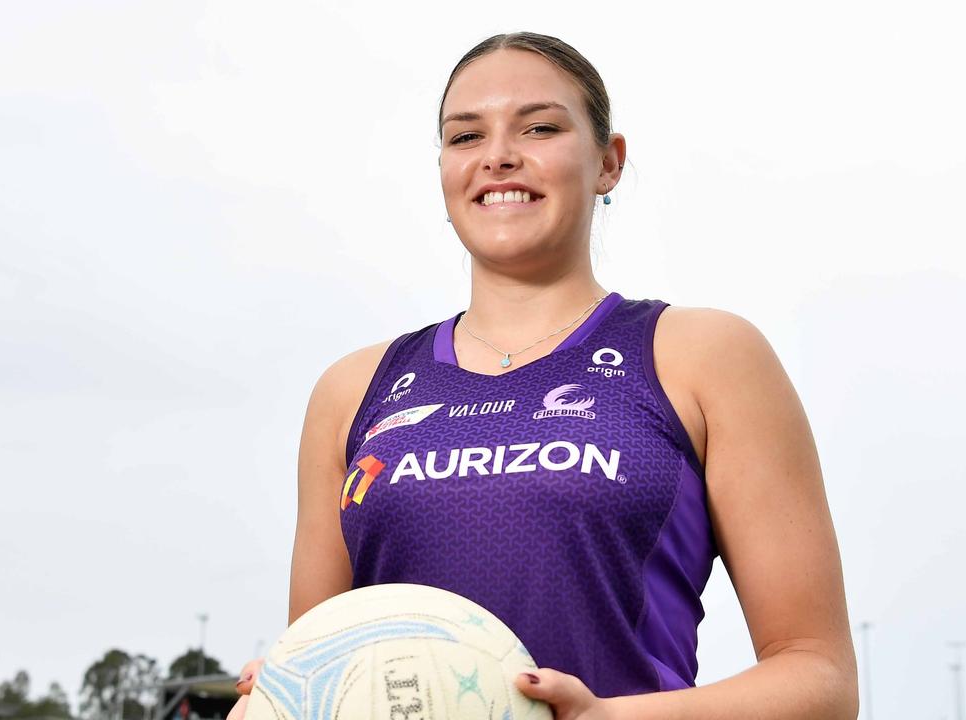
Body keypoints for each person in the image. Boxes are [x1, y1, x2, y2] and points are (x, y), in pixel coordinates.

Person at [229, 31, 858, 720]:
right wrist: (282, 693)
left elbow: (819, 678)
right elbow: (323, 660)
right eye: (465, 137)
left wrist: (608, 718)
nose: (498, 155)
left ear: (607, 163)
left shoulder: (704, 355)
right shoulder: (354, 390)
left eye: (539, 127)